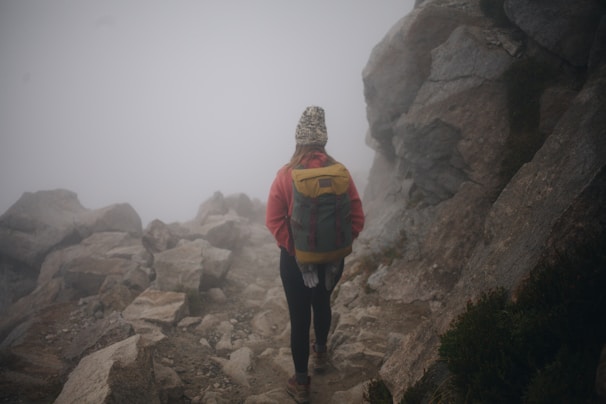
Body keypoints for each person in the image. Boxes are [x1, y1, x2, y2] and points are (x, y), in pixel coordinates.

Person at [266, 105, 365, 403]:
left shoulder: (285, 175)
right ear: (324, 141)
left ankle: (301, 383)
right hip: (333, 258)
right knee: (322, 302)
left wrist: (298, 251)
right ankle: (320, 352)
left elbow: (273, 220)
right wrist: (334, 249)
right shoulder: (341, 173)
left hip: (296, 262)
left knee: (299, 318)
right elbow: (357, 218)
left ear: (298, 140)